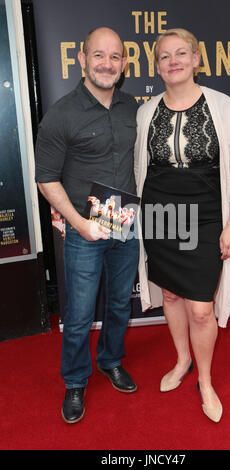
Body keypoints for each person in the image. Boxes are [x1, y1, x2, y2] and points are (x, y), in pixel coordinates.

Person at [134, 28, 230, 423]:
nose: (173, 61)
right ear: (157, 66)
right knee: (170, 296)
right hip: (161, 215)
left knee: (201, 309)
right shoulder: (145, 111)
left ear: (197, 58)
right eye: (164, 56)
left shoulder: (222, 105)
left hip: (205, 217)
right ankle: (181, 360)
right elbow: (139, 171)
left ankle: (205, 379)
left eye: (181, 53)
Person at [35, 27, 139, 424]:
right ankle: (75, 382)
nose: (106, 64)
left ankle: (110, 361)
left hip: (125, 225)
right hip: (84, 231)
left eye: (115, 57)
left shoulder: (133, 107)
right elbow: (46, 178)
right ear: (82, 59)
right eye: (99, 55)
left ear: (124, 65)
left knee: (118, 304)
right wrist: (78, 224)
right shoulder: (61, 114)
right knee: (78, 314)